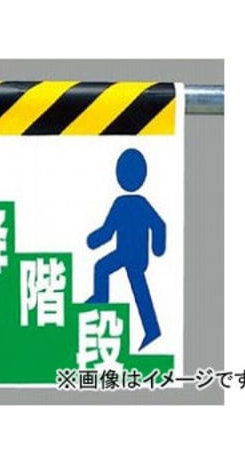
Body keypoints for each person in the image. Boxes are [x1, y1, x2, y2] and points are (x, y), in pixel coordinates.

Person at [86, 148, 166, 350]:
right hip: (131, 254)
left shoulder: (124, 204)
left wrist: (93, 241)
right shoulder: (135, 203)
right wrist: (157, 248)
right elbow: (158, 226)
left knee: (126, 280)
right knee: (107, 270)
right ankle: (150, 327)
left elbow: (107, 232)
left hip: (130, 255)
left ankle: (150, 328)